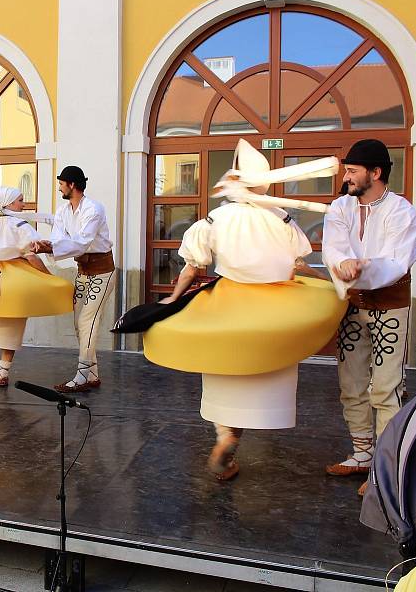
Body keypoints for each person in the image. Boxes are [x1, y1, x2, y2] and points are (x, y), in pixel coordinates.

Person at [137, 139, 342, 481]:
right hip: (276, 307)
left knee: (224, 367)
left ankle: (224, 436)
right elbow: (298, 265)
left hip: (227, 305)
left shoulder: (214, 218)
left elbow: (191, 266)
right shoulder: (282, 218)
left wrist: (174, 299)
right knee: (264, 365)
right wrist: (328, 284)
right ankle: (234, 438)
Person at [322, 139, 416, 496]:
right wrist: (344, 264)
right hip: (351, 305)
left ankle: (385, 468)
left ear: (375, 173)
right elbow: (334, 246)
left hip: (389, 304)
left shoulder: (402, 211)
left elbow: (398, 260)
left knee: (386, 388)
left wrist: (363, 267)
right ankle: (363, 454)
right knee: (351, 385)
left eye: (352, 170)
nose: (345, 176)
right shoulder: (339, 208)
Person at [31, 166, 115, 393]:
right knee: (79, 323)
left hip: (103, 272)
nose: (59, 187)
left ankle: (81, 375)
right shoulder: (63, 211)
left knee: (88, 320)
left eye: (61, 183)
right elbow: (59, 238)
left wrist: (51, 246)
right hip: (83, 271)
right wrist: (47, 245)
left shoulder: (94, 209)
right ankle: (92, 374)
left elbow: (81, 242)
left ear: (72, 185)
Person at [0, 186, 50, 387]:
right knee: (12, 325)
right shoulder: (19, 224)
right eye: (20, 200)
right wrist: (49, 278)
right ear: (9, 203)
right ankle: (2, 373)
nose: (23, 204)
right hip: (15, 278)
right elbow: (32, 254)